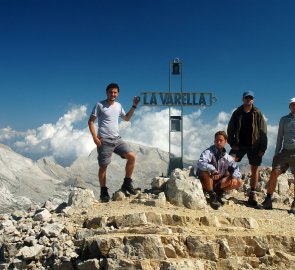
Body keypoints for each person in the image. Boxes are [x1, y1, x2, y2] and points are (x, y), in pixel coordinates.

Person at [88, 83, 140, 202]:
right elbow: (90, 122)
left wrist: (134, 106)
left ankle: (127, 183)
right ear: (107, 93)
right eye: (111, 92)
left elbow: (126, 118)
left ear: (118, 93)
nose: (113, 94)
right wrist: (95, 138)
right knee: (103, 166)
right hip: (104, 140)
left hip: (117, 139)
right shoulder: (99, 105)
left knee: (132, 156)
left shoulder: (118, 105)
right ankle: (103, 191)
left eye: (115, 92)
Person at [227, 91, 267, 206]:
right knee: (229, 162)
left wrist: (262, 148)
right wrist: (232, 143)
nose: (248, 100)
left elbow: (263, 131)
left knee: (254, 169)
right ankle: (224, 188)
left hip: (254, 146)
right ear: (243, 99)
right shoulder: (237, 113)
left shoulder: (257, 113)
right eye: (246, 98)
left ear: (253, 100)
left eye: (250, 98)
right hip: (239, 145)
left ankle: (252, 193)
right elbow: (230, 129)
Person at [262, 98, 295, 212]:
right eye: (292, 104)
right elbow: (280, 136)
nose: (294, 106)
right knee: (274, 173)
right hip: (285, 151)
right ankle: (268, 199)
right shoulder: (284, 120)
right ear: (289, 106)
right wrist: (276, 153)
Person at [197, 131, 242, 210]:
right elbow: (201, 163)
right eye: (216, 140)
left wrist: (234, 177)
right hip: (207, 181)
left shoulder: (227, 157)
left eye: (221, 140)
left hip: (218, 182)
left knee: (239, 182)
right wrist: (213, 169)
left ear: (225, 141)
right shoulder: (208, 152)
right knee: (204, 171)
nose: (218, 142)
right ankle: (211, 196)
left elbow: (236, 168)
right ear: (214, 141)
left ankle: (218, 194)